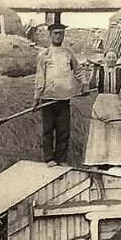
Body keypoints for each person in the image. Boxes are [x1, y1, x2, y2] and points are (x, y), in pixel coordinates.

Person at [34, 22, 83, 166]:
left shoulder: (68, 53)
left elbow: (78, 70)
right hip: (48, 97)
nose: (58, 36)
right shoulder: (44, 54)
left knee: (63, 130)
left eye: (60, 33)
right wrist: (37, 97)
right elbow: (40, 76)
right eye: (55, 33)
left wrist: (84, 84)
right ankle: (49, 158)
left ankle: (61, 159)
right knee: (48, 129)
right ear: (50, 35)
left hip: (64, 98)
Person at [83, 49, 121, 168]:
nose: (111, 59)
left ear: (116, 59)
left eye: (113, 57)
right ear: (105, 58)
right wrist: (94, 71)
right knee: (100, 129)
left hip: (114, 102)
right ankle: (98, 160)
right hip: (100, 102)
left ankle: (117, 161)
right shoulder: (99, 71)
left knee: (116, 129)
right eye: (109, 57)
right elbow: (91, 86)